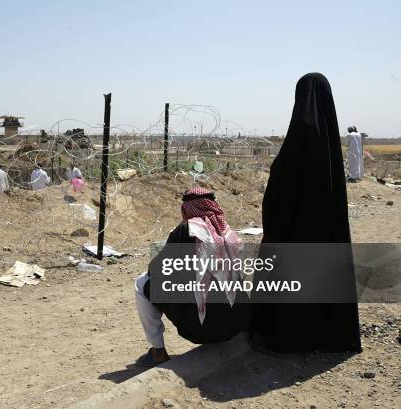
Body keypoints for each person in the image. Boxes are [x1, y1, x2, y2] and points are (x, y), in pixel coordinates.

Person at [248, 73, 362, 353]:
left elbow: (283, 180)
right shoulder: (329, 139)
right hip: (325, 227)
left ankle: (286, 337)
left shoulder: (301, 127)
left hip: (296, 226)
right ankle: (329, 336)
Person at [134, 187, 250, 367]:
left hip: (202, 328)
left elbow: (156, 270)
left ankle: (158, 351)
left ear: (187, 208)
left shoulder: (187, 229)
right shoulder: (227, 231)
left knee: (142, 283)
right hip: (237, 325)